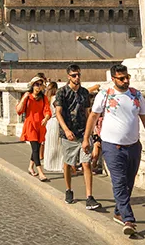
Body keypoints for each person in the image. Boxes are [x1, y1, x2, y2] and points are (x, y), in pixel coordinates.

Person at [83, 64, 145, 236]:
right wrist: (86, 139)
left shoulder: (135, 94)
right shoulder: (104, 95)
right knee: (119, 182)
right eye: (121, 78)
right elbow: (93, 116)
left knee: (129, 182)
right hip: (112, 146)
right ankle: (129, 219)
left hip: (133, 146)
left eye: (127, 77)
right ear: (113, 79)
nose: (126, 81)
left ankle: (119, 211)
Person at [55, 65, 100, 210]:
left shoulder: (84, 93)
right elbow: (58, 113)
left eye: (78, 75)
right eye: (74, 75)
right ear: (68, 76)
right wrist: (66, 130)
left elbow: (88, 113)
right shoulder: (62, 92)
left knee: (86, 163)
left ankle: (89, 196)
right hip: (69, 134)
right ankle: (68, 190)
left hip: (82, 133)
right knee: (68, 163)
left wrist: (90, 132)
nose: (77, 78)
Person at [17, 76, 51, 182]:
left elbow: (47, 110)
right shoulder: (28, 97)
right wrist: (24, 98)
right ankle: (41, 172)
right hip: (30, 125)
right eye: (37, 84)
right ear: (32, 85)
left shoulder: (43, 97)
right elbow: (19, 110)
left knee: (36, 147)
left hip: (40, 125)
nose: (39, 86)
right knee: (36, 148)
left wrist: (46, 118)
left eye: (40, 84)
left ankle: (30, 167)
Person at [43, 81, 63, 174]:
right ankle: (58, 165)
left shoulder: (46, 99)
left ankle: (49, 164)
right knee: (58, 145)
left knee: (50, 145)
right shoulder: (56, 98)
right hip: (56, 122)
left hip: (49, 123)